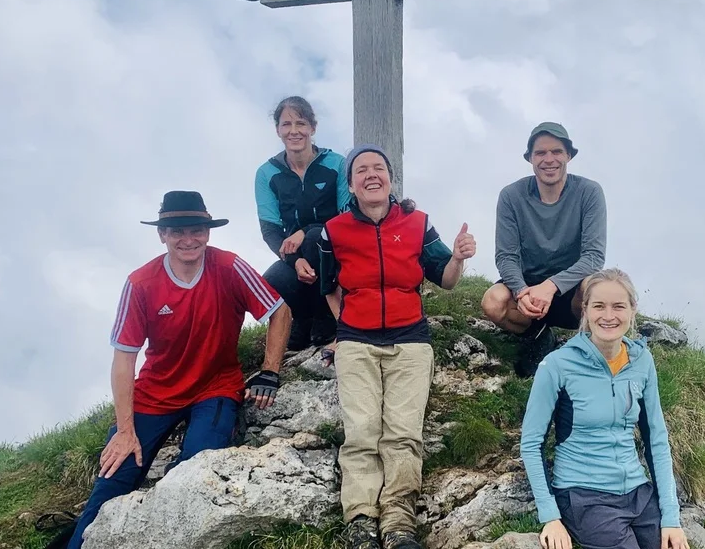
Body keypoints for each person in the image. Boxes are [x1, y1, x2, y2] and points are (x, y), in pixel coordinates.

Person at [67, 191, 292, 549]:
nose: (188, 240)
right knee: (114, 477)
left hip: (215, 388)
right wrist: (125, 430)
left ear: (208, 232)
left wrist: (269, 370)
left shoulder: (230, 267)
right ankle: (78, 539)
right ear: (162, 235)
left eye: (196, 230)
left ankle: (145, 521)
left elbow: (278, 310)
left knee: (195, 468)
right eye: (177, 231)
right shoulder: (141, 283)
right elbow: (124, 359)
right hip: (155, 393)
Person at [303, 144, 476, 549]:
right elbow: (329, 286)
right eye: (361, 170)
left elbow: (445, 278)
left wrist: (459, 258)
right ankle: (361, 521)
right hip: (356, 342)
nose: (370, 175)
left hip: (410, 341)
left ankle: (399, 524)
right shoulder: (334, 230)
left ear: (391, 179)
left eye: (378, 168)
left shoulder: (418, 222)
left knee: (402, 435)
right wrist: (346, 325)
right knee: (362, 432)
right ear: (351, 184)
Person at [519, 268, 689, 549]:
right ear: (584, 309)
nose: (608, 316)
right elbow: (531, 442)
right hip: (584, 495)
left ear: (633, 309)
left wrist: (670, 517)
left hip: (637, 492)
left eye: (618, 306)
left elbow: (656, 440)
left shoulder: (642, 361)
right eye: (598, 306)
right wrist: (550, 516)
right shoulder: (557, 365)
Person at [481, 122, 607, 377]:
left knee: (596, 286)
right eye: (540, 153)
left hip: (571, 290)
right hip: (527, 292)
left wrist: (550, 286)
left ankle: (586, 349)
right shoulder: (511, 196)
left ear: (569, 155)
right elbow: (506, 256)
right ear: (530, 158)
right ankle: (537, 336)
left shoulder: (589, 192)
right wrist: (520, 289)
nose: (549, 159)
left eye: (557, 151)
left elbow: (594, 256)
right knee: (493, 302)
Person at [254, 96, 349, 351]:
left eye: (301, 123)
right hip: (295, 254)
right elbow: (270, 230)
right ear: (278, 130)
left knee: (315, 237)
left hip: (335, 250)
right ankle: (302, 319)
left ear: (313, 128)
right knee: (272, 279)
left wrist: (305, 231)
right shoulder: (267, 173)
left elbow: (344, 216)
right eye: (286, 124)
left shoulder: (336, 163)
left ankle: (326, 317)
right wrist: (294, 261)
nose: (294, 131)